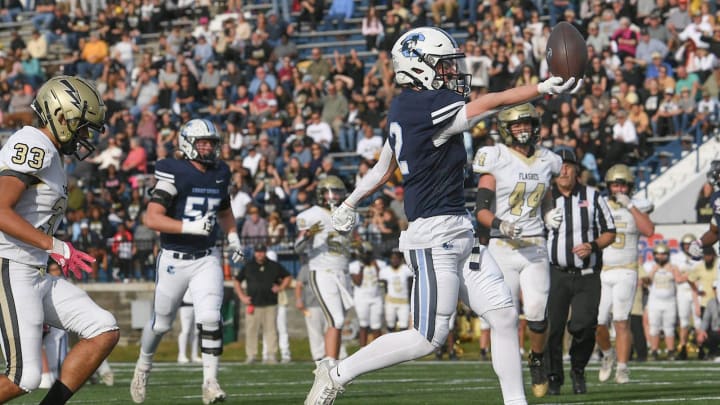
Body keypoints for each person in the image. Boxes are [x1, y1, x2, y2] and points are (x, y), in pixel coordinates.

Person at [307, 26, 581, 405]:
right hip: (433, 237)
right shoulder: (423, 107)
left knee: (503, 316)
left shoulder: (405, 108)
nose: (453, 72)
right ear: (418, 66)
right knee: (426, 337)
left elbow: (384, 167)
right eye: (444, 65)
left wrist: (350, 202)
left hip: (460, 231)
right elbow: (489, 104)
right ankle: (336, 374)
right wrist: (542, 88)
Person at [0, 75, 119, 404]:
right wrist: (56, 247)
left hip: (33, 270)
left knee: (102, 328)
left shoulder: (49, 150)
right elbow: (0, 209)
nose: (84, 136)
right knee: (23, 377)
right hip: (8, 266)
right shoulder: (35, 144)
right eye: (82, 127)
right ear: (61, 116)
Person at [130, 118, 245, 405]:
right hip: (174, 259)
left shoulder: (220, 172)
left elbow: (224, 210)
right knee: (160, 323)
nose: (208, 148)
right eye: (202, 142)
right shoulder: (174, 172)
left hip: (207, 257)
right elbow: (152, 217)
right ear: (187, 143)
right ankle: (143, 366)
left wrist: (233, 237)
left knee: (209, 317)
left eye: (212, 143)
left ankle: (210, 382)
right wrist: (189, 227)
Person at [472, 102, 562, 398]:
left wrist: (548, 214)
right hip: (502, 245)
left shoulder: (548, 160)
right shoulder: (495, 157)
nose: (523, 129)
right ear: (506, 129)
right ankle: (509, 384)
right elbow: (481, 210)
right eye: (516, 125)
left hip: (535, 245)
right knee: (505, 319)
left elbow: (545, 194)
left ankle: (536, 359)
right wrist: (502, 224)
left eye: (527, 124)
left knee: (537, 313)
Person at [544, 149, 616, 395]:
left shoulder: (592, 196)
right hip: (555, 273)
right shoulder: (544, 198)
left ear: (577, 170)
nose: (563, 171)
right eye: (559, 166)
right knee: (552, 328)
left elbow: (610, 231)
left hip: (587, 274)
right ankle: (553, 376)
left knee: (584, 326)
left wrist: (593, 245)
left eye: (568, 166)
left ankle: (578, 369)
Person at [596, 164, 654, 384]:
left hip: (626, 270)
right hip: (603, 271)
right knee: (597, 323)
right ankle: (607, 355)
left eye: (622, 184)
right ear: (609, 186)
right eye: (615, 184)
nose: (618, 188)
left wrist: (630, 206)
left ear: (630, 187)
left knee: (621, 321)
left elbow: (649, 231)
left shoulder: (638, 205)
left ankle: (622, 368)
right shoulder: (600, 205)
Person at [295, 175, 355, 362]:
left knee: (338, 321)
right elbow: (297, 248)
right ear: (321, 194)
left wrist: (361, 247)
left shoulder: (350, 214)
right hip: (322, 271)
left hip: (343, 272)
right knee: (336, 320)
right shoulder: (310, 215)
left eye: (337, 192)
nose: (334, 196)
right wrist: (308, 235)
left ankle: (333, 364)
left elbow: (354, 240)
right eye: (331, 191)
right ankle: (329, 367)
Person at [233, 243, 292, 364]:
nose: (260, 254)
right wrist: (242, 296)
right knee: (251, 331)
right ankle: (251, 355)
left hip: (270, 304)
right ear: (255, 252)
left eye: (262, 251)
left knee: (271, 331)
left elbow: (288, 277)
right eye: (258, 252)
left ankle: (271, 355)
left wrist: (280, 288)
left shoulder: (273, 265)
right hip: (253, 304)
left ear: (265, 252)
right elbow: (237, 281)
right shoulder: (249, 266)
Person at [642, 242, 683, 360]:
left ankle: (671, 351)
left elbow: (679, 280)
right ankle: (654, 351)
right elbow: (646, 283)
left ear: (668, 255)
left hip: (669, 301)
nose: (661, 257)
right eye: (658, 254)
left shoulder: (673, 267)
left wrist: (674, 271)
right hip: (654, 301)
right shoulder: (650, 266)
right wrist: (653, 272)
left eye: (663, 254)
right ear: (654, 255)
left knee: (669, 327)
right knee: (654, 327)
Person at [671, 234, 702, 360]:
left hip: (697, 292)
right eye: (686, 245)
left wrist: (688, 276)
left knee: (699, 321)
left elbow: (701, 276)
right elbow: (678, 279)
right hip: (683, 292)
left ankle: (701, 348)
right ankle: (682, 348)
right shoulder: (677, 258)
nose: (688, 247)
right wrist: (692, 275)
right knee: (683, 322)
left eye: (690, 245)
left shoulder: (700, 258)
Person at [349, 242, 385, 347]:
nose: (366, 256)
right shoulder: (354, 265)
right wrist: (361, 266)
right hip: (361, 299)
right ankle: (362, 349)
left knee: (376, 325)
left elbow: (382, 279)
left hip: (376, 298)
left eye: (367, 253)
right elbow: (358, 282)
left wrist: (376, 266)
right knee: (363, 324)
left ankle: (378, 350)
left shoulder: (379, 264)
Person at [177, 288, 201, 364]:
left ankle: (194, 355)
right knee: (185, 330)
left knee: (196, 331)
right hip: (186, 304)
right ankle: (181, 355)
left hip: (197, 305)